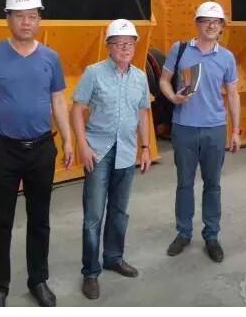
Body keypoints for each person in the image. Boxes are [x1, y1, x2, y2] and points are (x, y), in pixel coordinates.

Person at [0, 0, 73, 307]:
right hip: (4, 150)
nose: (26, 22)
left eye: (32, 16)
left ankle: (38, 279)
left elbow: (58, 100)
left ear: (39, 19)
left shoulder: (50, 58)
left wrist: (68, 138)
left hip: (41, 149)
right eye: (19, 16)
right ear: (8, 19)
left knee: (39, 219)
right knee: (0, 221)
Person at [70, 19, 152, 300]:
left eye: (129, 43)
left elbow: (143, 113)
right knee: (93, 216)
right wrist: (82, 145)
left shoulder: (139, 77)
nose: (125, 48)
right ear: (108, 47)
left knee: (119, 211)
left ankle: (114, 258)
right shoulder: (93, 73)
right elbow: (77, 109)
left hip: (127, 152)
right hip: (98, 152)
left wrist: (145, 147)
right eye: (119, 43)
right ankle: (90, 272)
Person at [158, 1, 241, 263]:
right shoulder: (180, 49)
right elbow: (163, 80)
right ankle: (183, 233)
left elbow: (233, 94)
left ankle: (211, 236)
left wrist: (236, 130)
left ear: (222, 26)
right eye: (206, 21)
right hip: (184, 127)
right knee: (184, 183)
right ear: (197, 23)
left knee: (212, 184)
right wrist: (173, 97)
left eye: (216, 22)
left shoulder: (226, 57)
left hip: (214, 128)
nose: (211, 26)